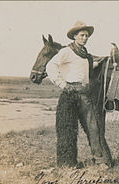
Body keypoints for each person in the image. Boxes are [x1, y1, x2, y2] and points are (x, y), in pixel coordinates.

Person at [45, 21, 111, 168]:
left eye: (86, 36)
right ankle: (67, 164)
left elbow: (84, 67)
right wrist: (63, 84)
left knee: (93, 127)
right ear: (75, 36)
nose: (85, 38)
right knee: (67, 129)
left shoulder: (85, 55)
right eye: (82, 35)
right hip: (70, 94)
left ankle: (100, 160)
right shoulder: (66, 51)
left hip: (85, 95)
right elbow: (50, 66)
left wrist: (98, 63)